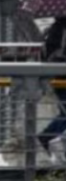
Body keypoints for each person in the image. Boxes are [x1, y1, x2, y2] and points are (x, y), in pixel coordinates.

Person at [38, 16, 66, 155]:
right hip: (62, 76)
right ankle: (46, 136)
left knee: (64, 111)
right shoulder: (62, 29)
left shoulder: (54, 28)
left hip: (57, 75)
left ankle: (47, 137)